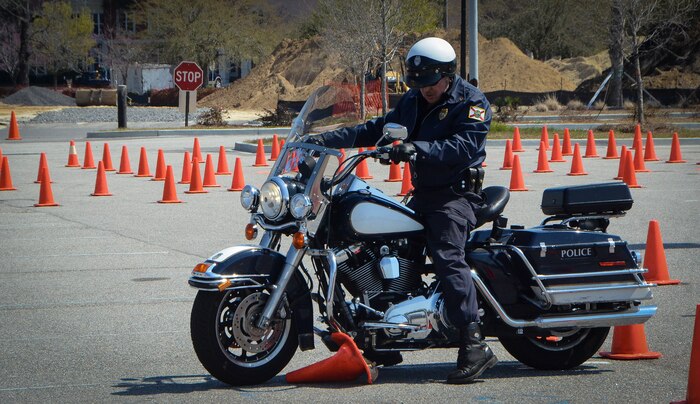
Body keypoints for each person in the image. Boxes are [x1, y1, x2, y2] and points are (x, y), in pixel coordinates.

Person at [309, 37, 497, 384]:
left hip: (455, 198)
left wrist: (415, 149)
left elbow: (464, 144)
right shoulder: (413, 99)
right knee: (385, 246)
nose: (424, 89)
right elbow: (377, 128)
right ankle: (382, 333)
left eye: (429, 82)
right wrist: (326, 139)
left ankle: (474, 343)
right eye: (418, 82)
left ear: (447, 74)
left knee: (446, 255)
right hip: (422, 194)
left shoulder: (472, 102)